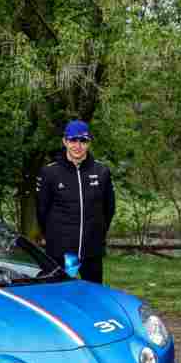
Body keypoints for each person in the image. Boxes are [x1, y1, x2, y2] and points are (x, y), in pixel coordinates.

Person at [35, 119, 116, 284]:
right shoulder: (50, 172)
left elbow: (109, 209)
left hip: (91, 250)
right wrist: (54, 236)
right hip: (61, 251)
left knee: (93, 296)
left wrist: (97, 233)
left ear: (89, 143)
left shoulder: (102, 171)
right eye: (73, 140)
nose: (77, 146)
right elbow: (42, 211)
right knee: (58, 295)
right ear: (65, 141)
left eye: (83, 141)